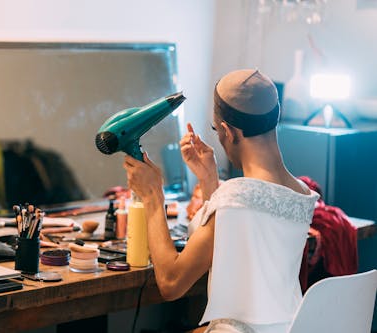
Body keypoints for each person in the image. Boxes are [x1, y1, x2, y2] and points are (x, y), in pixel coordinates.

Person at [123, 69, 319, 333]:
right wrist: (209, 182)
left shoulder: (237, 196)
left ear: (228, 130)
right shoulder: (302, 194)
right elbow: (235, 240)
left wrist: (153, 197)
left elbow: (171, 283)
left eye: (217, 129)